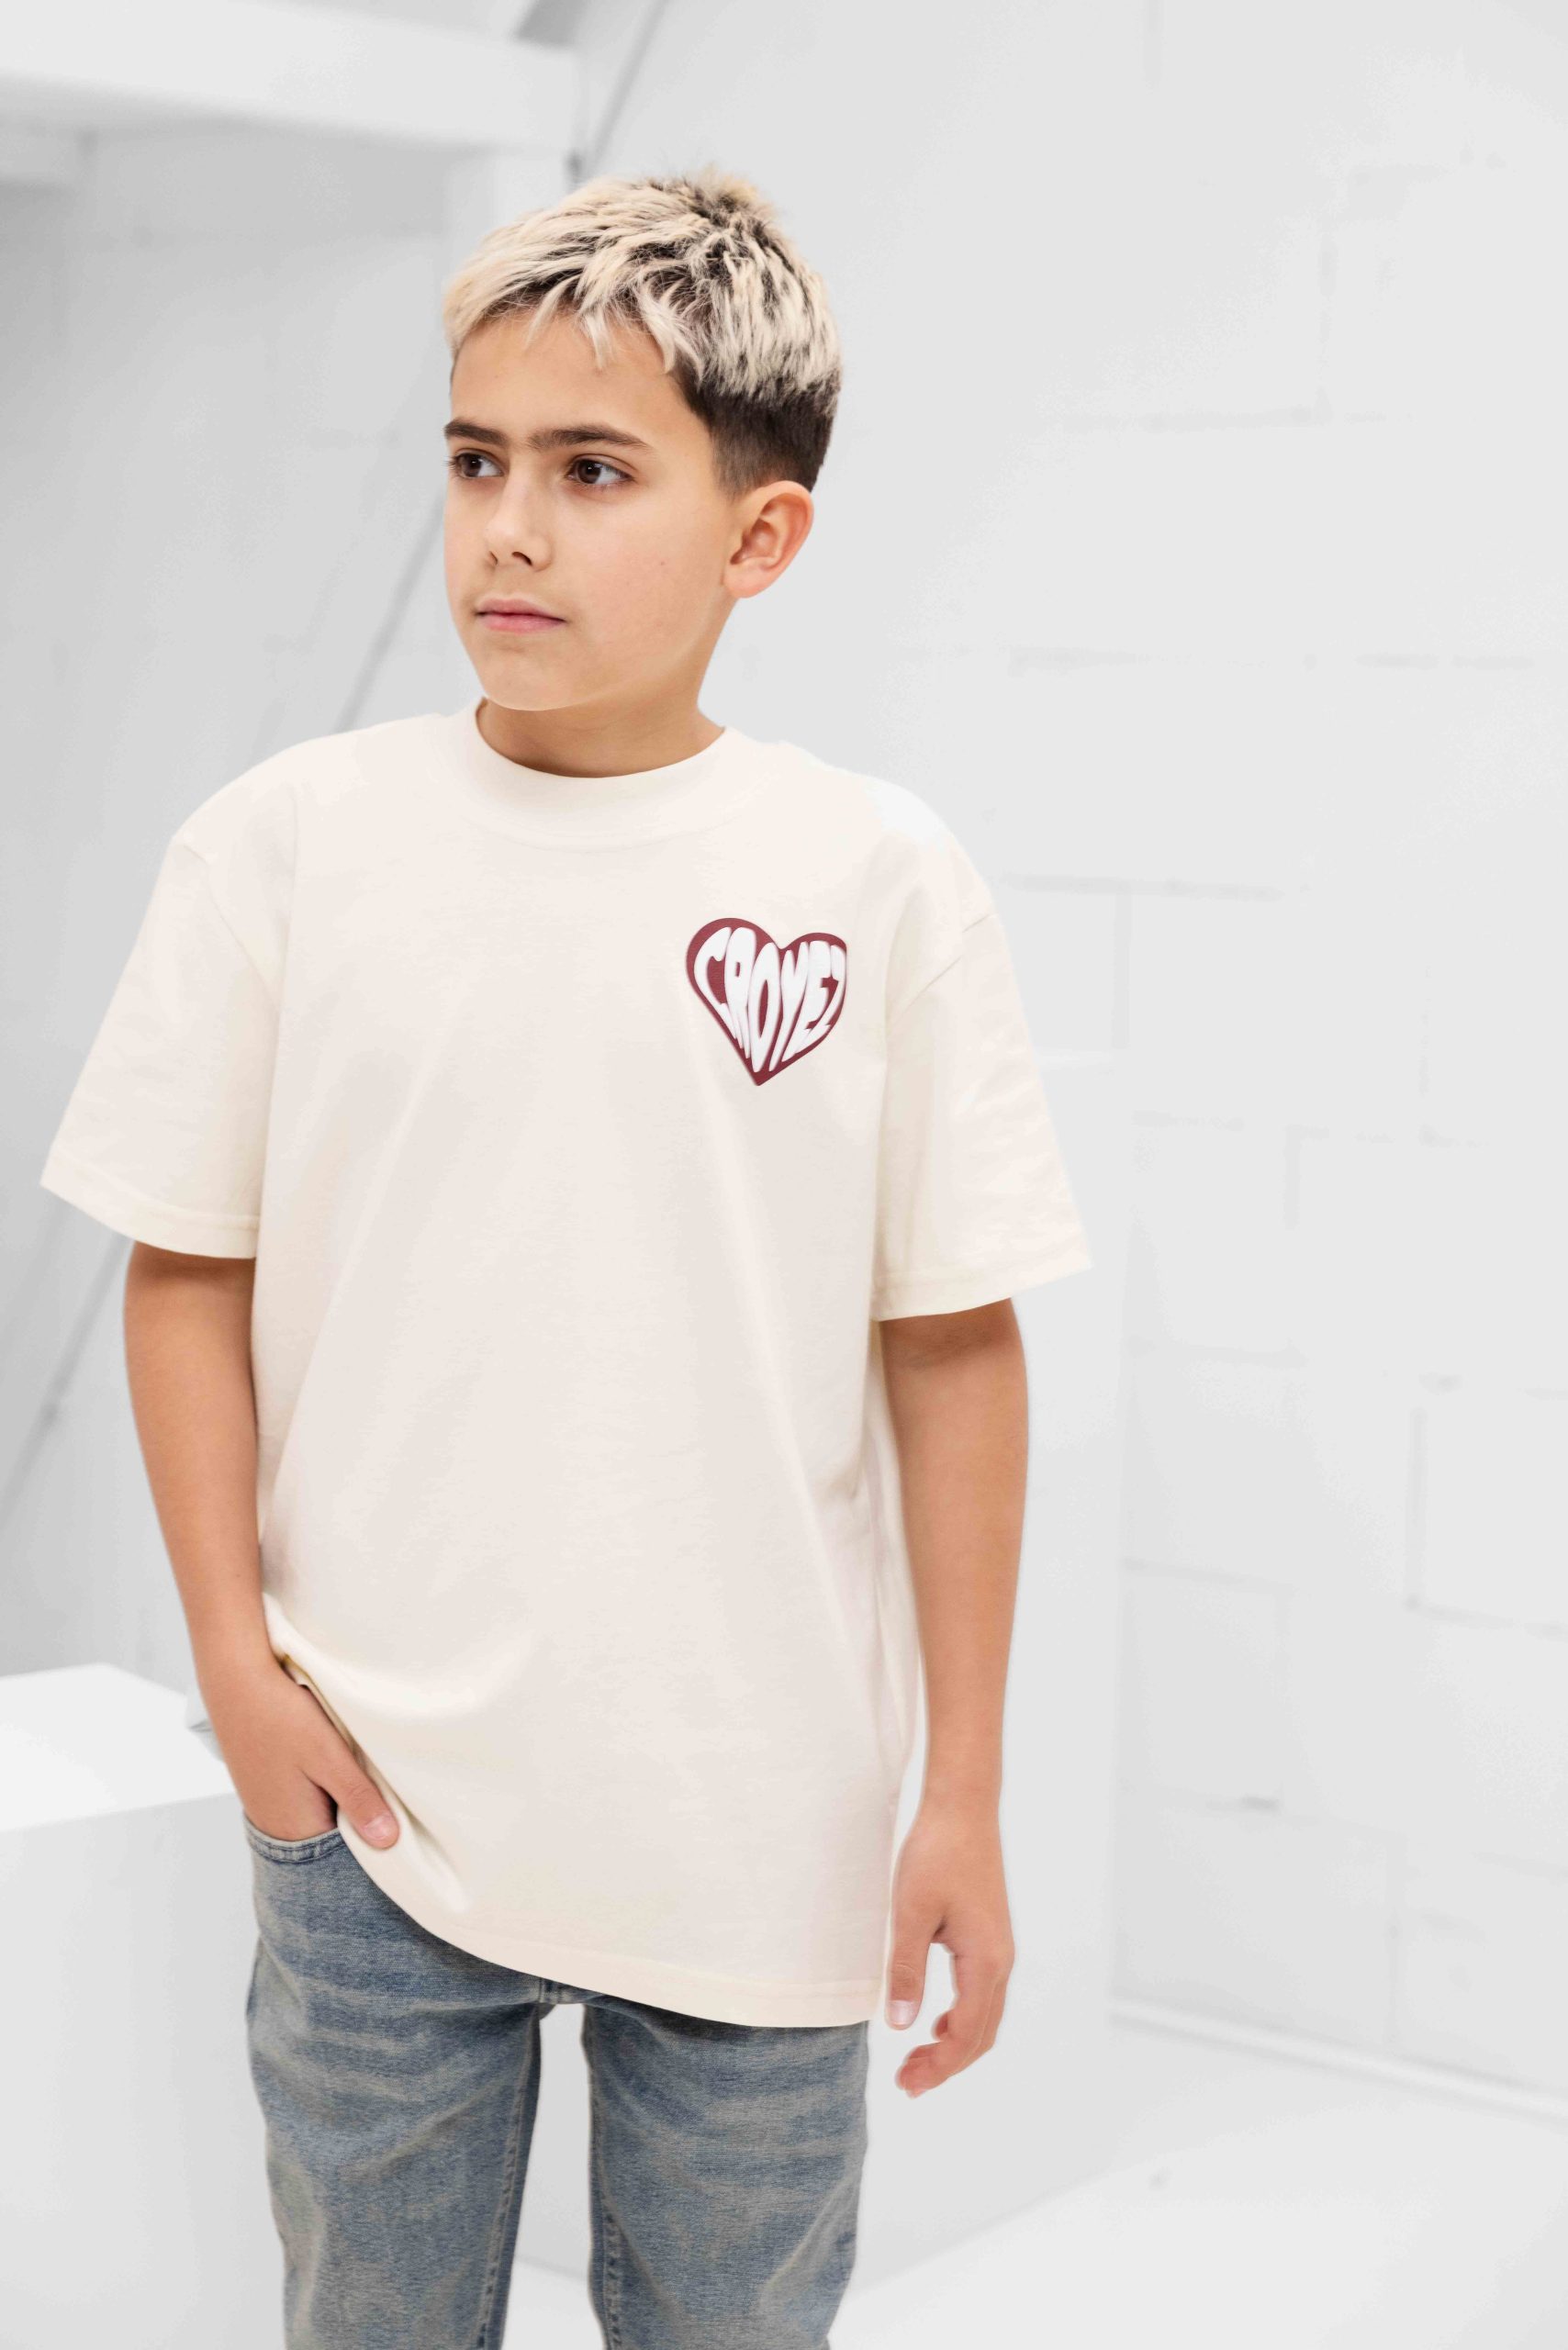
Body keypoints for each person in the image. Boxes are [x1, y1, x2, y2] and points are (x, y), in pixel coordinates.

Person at [36, 164, 1092, 2349]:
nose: (506, 528)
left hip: (757, 1817)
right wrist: (236, 1664)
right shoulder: (284, 848)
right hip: (373, 1808)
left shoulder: (877, 880)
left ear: (758, 536)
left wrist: (962, 1790)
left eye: (591, 471)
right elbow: (187, 1269)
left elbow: (951, 1342)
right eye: (474, 460)